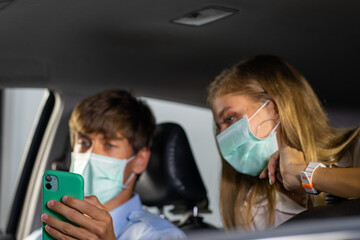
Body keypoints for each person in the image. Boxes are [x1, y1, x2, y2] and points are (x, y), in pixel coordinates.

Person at [207, 55, 360, 231]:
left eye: (230, 118)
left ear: (274, 109)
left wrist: (306, 173)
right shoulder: (253, 208)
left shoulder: (355, 148)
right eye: (219, 127)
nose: (223, 135)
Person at [25, 89, 186, 239]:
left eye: (109, 145)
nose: (90, 156)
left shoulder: (160, 235)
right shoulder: (41, 235)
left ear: (139, 160)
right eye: (84, 142)